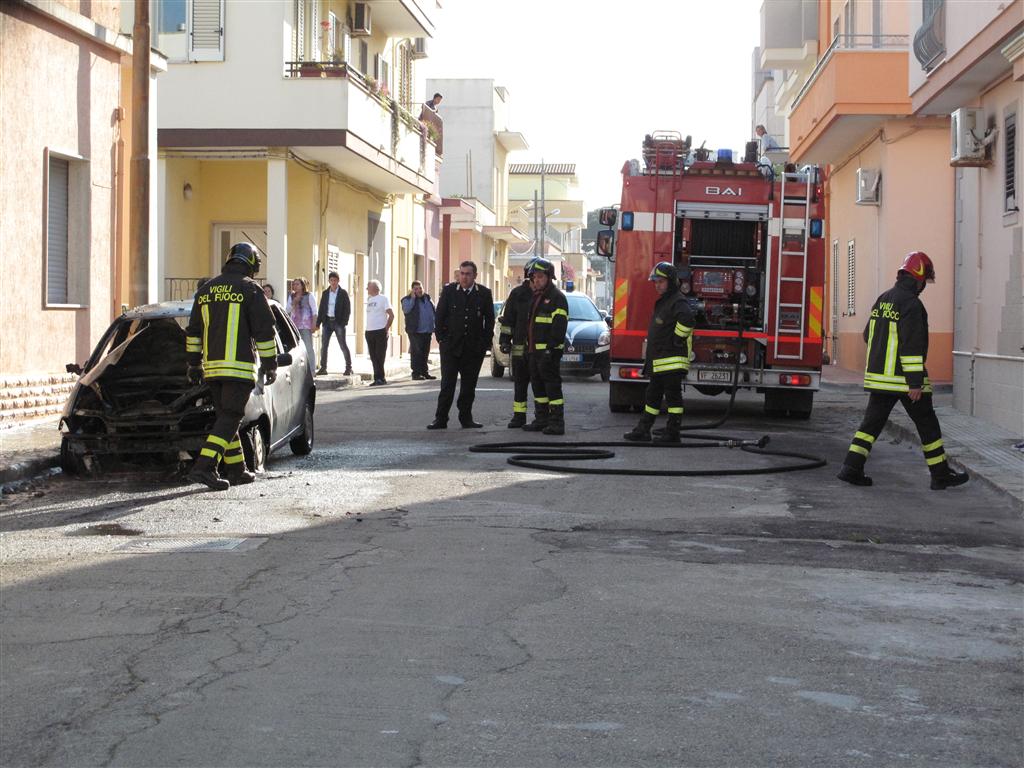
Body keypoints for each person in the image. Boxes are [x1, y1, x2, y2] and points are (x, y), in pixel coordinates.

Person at [837, 251, 969, 491]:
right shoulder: (912, 304)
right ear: (918, 278)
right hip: (905, 382)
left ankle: (851, 467)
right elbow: (912, 346)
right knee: (928, 425)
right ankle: (940, 475)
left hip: (880, 380)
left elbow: (869, 335)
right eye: (924, 281)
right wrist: (915, 383)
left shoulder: (884, 299)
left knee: (870, 426)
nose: (923, 287)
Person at [184, 242, 277, 491]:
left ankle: (237, 470)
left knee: (226, 417)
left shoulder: (205, 291)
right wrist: (270, 364)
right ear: (252, 264)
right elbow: (264, 332)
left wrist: (193, 364)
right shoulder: (250, 289)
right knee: (232, 417)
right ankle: (204, 467)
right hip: (238, 369)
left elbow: (193, 332)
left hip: (211, 369)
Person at [623, 262, 695, 443]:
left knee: (673, 397)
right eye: (655, 282)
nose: (657, 285)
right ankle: (644, 429)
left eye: (660, 282)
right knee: (652, 396)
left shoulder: (677, 300)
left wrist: (677, 339)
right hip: (660, 361)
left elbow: (687, 320)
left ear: (670, 282)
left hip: (671, 361)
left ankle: (673, 432)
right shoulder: (666, 301)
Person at [428, 261, 495, 429]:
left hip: (473, 349)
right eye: (462, 274)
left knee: (468, 386)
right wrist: (441, 339)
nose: (464, 277)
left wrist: (485, 343)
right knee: (447, 385)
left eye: (468, 274)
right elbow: (440, 316)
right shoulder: (450, 291)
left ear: (475, 276)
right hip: (451, 347)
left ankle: (466, 418)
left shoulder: (484, 293)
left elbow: (490, 320)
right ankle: (441, 418)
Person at [522, 258, 569, 436]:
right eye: (534, 278)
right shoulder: (537, 297)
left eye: (540, 277)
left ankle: (557, 423)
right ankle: (541, 419)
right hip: (535, 352)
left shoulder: (557, 298)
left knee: (552, 387)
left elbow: (559, 327)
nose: (536, 280)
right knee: (538, 386)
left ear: (549, 277)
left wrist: (550, 349)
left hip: (548, 352)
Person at [498, 258, 539, 428]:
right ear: (529, 276)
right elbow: (508, 321)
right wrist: (505, 341)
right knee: (520, 384)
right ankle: (519, 416)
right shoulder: (517, 294)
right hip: (519, 348)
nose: (539, 280)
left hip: (537, 350)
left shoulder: (545, 295)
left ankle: (540, 417)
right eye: (536, 276)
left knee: (539, 385)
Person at [316, 271, 352, 376]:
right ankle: (323, 368)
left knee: (342, 345)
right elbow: (321, 308)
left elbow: (347, 309)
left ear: (338, 281)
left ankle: (348, 367)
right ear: (329, 281)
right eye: (331, 280)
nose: (333, 282)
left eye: (335, 280)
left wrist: (344, 322)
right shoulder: (325, 293)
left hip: (338, 322)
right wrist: (318, 323)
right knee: (324, 345)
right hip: (327, 322)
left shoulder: (343, 293)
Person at [400, 280, 437, 380]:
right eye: (416, 289)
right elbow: (406, 310)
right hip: (415, 330)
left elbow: (434, 311)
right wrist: (412, 298)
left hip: (427, 330)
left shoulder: (428, 298)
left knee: (425, 352)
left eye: (420, 288)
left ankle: (425, 372)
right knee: (417, 352)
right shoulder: (406, 299)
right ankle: (416, 373)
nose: (419, 290)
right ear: (412, 290)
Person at [365, 279, 394, 386]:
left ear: (375, 288)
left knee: (379, 355)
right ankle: (377, 377)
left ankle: (381, 378)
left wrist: (386, 328)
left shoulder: (383, 299)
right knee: (373, 356)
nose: (367, 288)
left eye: (368, 286)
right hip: (369, 331)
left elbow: (391, 315)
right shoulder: (369, 299)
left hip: (380, 331)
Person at [288, 277, 318, 376]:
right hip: (295, 326)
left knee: (308, 347)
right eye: (294, 284)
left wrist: (314, 324)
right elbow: (287, 309)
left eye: (297, 284)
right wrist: (294, 302)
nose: (295, 286)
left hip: (306, 325)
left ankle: (312, 370)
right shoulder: (291, 296)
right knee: (296, 349)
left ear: (302, 285)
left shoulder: (309, 296)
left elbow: (314, 311)